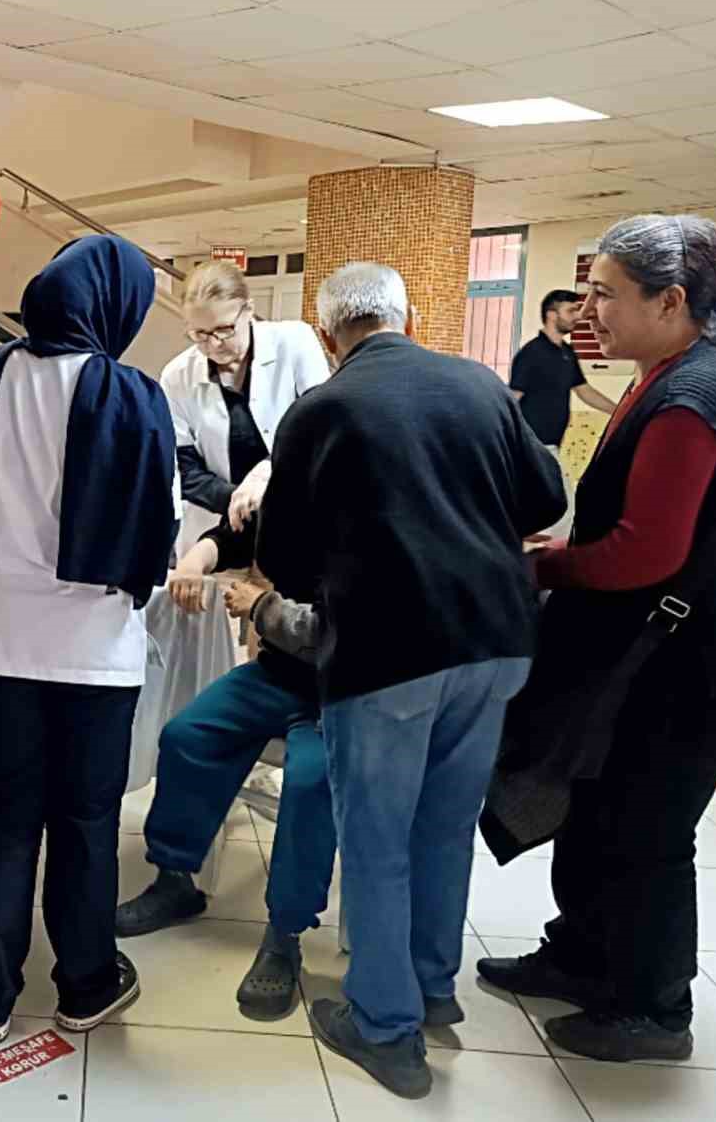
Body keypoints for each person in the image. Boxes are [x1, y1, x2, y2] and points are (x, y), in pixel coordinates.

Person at [478, 215, 716, 1063]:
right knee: (597, 818)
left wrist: (543, 567)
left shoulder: (694, 398)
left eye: (607, 294)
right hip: (652, 659)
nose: (589, 311)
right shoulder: (677, 374)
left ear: (670, 301)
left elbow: (644, 553)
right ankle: (582, 958)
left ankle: (653, 1010)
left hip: (688, 670)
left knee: (645, 836)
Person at [259, 263, 565, 1099]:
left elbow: (282, 559)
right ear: (410, 317)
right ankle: (432, 987)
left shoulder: (319, 410)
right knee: (444, 827)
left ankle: (385, 1027)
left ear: (327, 334)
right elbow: (544, 497)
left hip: (387, 655)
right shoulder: (479, 385)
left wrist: (336, 573)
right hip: (496, 644)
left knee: (377, 840)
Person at [0, 235, 178, 1045]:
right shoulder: (132, 396)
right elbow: (157, 529)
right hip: (94, 648)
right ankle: (85, 984)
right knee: (86, 820)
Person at [115, 515, 336, 1023]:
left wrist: (263, 607)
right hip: (279, 673)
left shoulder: (382, 509)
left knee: (311, 781)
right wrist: (195, 561)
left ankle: (285, 933)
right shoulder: (293, 489)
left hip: (344, 690)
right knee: (187, 736)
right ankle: (175, 878)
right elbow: (234, 536)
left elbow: (338, 635)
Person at [160, 260, 331, 551]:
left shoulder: (294, 342)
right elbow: (183, 468)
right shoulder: (176, 376)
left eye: (224, 329)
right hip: (214, 529)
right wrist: (239, 499)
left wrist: (265, 473)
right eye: (200, 334)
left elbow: (320, 429)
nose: (214, 345)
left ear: (249, 310)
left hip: (296, 521)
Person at [510, 289, 618, 538]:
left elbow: (584, 391)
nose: (577, 316)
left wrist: (620, 410)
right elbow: (513, 398)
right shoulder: (531, 354)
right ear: (551, 315)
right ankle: (553, 554)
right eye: (570, 311)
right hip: (533, 445)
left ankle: (535, 548)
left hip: (551, 445)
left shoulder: (567, 353)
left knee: (543, 506)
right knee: (564, 506)